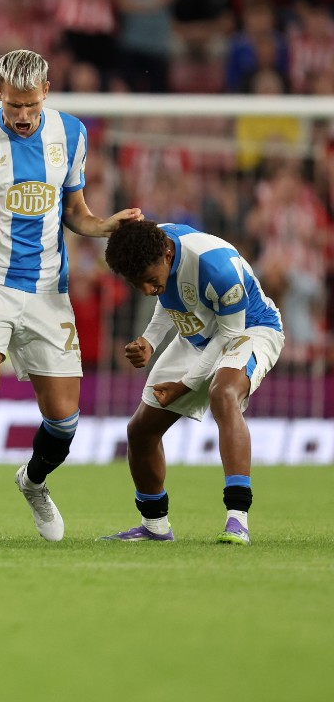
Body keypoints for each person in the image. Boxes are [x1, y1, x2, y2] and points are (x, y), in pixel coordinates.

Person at [0, 48, 141, 545]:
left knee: (64, 419)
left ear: (46, 93)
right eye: (14, 106)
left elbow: (75, 212)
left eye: (31, 105)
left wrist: (105, 226)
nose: (24, 116)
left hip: (46, 289)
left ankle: (32, 481)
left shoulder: (71, 134)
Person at [101, 220, 283, 545]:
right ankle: (154, 525)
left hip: (249, 328)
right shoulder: (157, 245)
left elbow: (229, 333)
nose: (146, 289)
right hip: (198, 333)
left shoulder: (217, 267)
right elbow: (166, 296)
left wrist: (185, 384)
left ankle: (237, 519)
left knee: (223, 394)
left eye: (149, 280)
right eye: (137, 283)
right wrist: (149, 341)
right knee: (140, 431)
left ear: (168, 256)